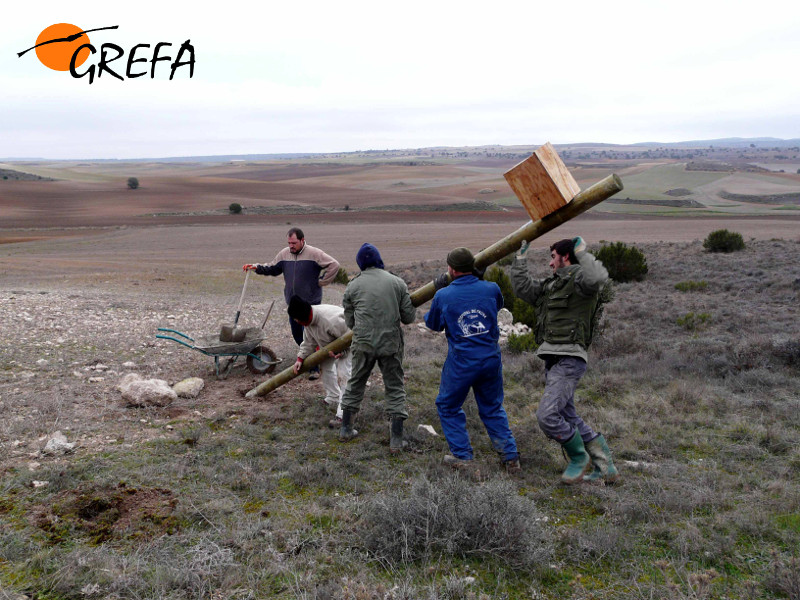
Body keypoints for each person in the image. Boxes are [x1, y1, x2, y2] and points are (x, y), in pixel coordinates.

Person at [511, 236, 619, 484]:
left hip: (570, 359)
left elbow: (598, 277)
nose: (550, 264)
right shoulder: (553, 285)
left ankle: (578, 458)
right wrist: (520, 259)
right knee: (569, 417)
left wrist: (583, 252)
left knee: (547, 416)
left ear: (565, 257)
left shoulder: (581, 281)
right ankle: (606, 467)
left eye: (553, 257)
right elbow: (523, 289)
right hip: (554, 360)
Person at [425, 247, 520, 473]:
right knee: (492, 407)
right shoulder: (492, 288)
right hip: (490, 358)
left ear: (451, 268)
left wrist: (441, 292)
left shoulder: (444, 295)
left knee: (447, 406)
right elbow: (495, 306)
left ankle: (463, 457)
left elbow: (433, 325)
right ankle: (510, 456)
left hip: (462, 362)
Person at [338, 243, 416, 452]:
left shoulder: (352, 286)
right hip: (390, 343)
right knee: (394, 386)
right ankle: (396, 440)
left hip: (363, 342)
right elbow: (409, 317)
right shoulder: (397, 283)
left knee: (356, 381)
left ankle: (346, 429)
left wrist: (364, 329)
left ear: (360, 263)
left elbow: (350, 321)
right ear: (380, 260)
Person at [243, 227, 340, 379]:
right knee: (297, 335)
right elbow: (273, 268)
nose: (291, 246)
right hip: (293, 304)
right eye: (289, 243)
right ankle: (313, 360)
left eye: (294, 243)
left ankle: (315, 367)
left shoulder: (314, 253)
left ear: (302, 240)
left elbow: (334, 264)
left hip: (311, 304)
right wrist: (256, 267)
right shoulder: (284, 254)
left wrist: (323, 281)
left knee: (312, 336)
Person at [287, 296, 352, 427]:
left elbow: (352, 337)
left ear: (302, 316)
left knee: (344, 375)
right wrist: (300, 358)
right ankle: (333, 397)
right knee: (326, 368)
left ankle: (343, 414)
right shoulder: (308, 321)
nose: (295, 321)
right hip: (330, 346)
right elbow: (308, 342)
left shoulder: (332, 320)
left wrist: (342, 352)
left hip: (350, 345)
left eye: (296, 319)